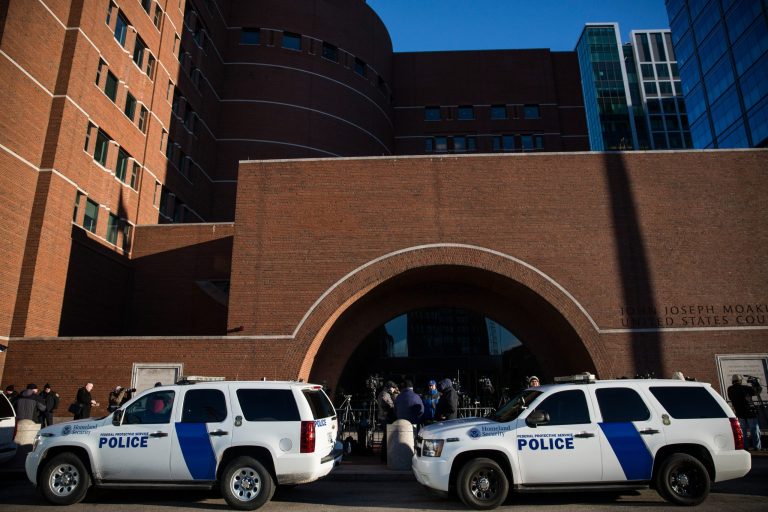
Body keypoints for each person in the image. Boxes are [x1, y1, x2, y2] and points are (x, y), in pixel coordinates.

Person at [728, 374, 762, 451]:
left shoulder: (730, 389)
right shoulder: (745, 388)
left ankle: (744, 446)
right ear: (740, 380)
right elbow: (758, 391)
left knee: (743, 431)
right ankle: (757, 447)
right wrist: (756, 383)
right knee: (754, 430)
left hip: (739, 413)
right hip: (750, 413)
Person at [376, 381, 397, 462]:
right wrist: (394, 405)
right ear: (389, 387)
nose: (393, 390)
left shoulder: (384, 393)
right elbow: (390, 405)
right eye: (393, 388)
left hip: (384, 417)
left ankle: (384, 457)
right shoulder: (385, 394)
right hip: (385, 418)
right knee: (386, 438)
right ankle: (384, 457)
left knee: (386, 437)